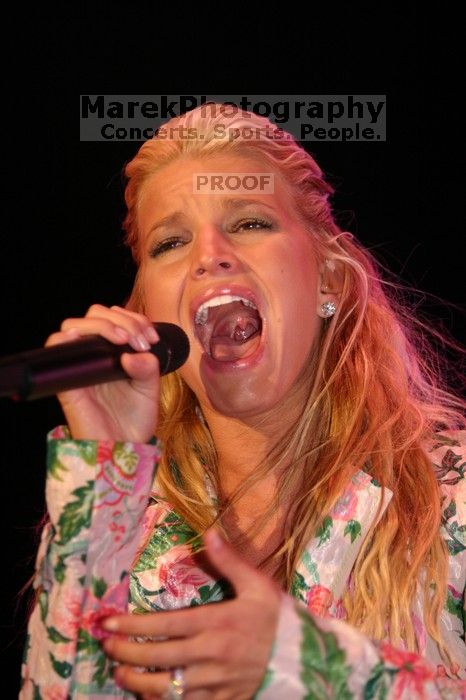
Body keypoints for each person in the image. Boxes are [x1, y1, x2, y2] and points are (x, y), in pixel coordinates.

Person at [20, 103, 465, 699]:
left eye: (251, 223)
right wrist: (105, 477)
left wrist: (317, 670)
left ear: (328, 281)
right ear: (150, 311)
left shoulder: (450, 502)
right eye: (171, 242)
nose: (210, 255)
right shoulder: (130, 531)